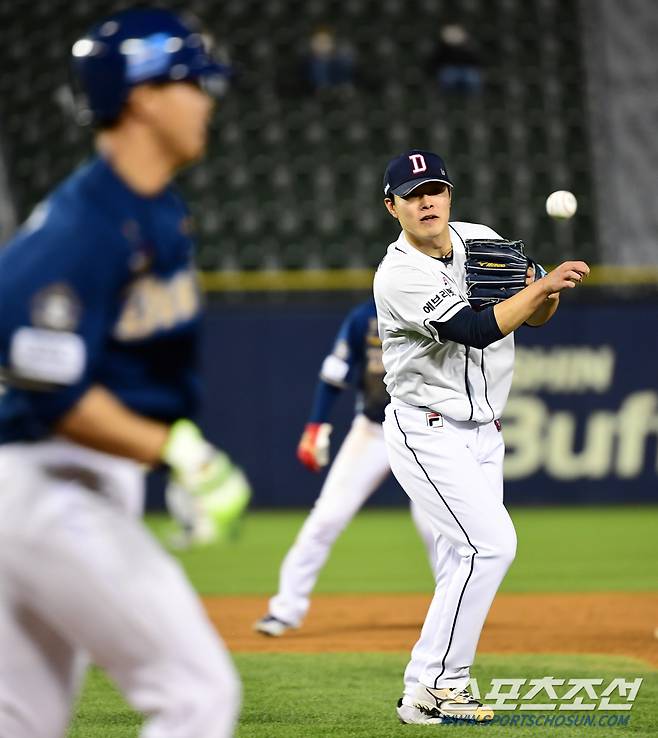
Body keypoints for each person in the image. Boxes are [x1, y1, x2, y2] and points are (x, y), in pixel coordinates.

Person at [0, 8, 250, 738]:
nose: (206, 99)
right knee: (196, 694)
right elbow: (48, 388)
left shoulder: (155, 208)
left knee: (22, 719)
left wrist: (157, 456)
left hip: (66, 481)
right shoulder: (82, 227)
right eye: (193, 83)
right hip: (46, 486)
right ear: (143, 97)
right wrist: (178, 453)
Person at [373, 149, 589, 725]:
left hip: (484, 431)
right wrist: (537, 289)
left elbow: (535, 315)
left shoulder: (480, 239)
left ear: (449, 196)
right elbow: (475, 328)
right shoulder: (398, 273)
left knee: (460, 560)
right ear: (391, 206)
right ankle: (447, 681)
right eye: (413, 194)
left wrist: (546, 292)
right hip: (427, 430)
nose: (426, 201)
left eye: (435, 190)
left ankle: (422, 687)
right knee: (491, 545)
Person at [254, 300, 435, 637]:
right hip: (372, 431)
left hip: (426, 430)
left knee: (432, 525)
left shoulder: (435, 306)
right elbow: (333, 375)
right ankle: (285, 610)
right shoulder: (364, 316)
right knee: (326, 517)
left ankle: (455, 610)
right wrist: (314, 426)